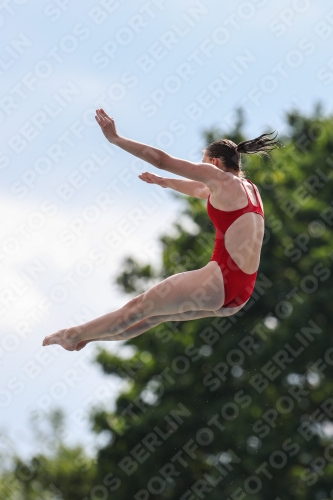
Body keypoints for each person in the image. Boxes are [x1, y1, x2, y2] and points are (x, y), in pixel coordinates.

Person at [42, 109, 280, 351]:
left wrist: (116, 138)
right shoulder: (250, 190)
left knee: (138, 307)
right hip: (240, 295)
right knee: (153, 316)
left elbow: (161, 160)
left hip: (220, 281)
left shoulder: (216, 177)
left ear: (215, 163)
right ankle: (86, 338)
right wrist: (165, 182)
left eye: (203, 162)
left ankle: (73, 335)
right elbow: (198, 190)